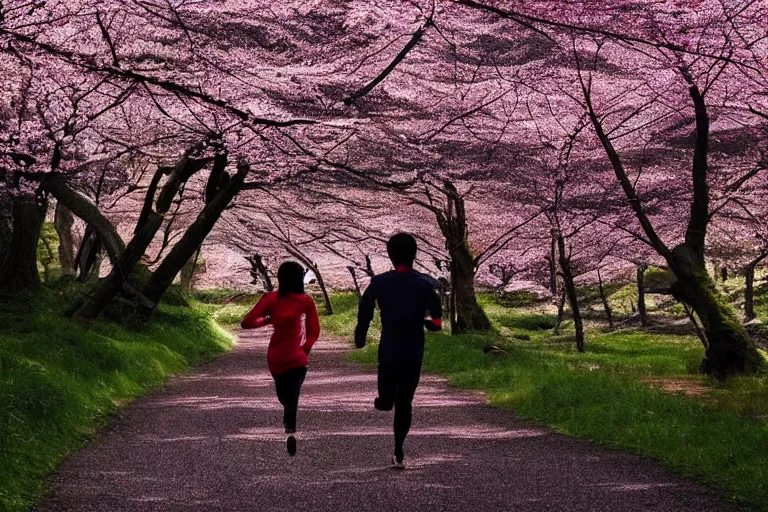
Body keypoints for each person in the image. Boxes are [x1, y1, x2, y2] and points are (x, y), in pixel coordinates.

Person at [354, 233, 443, 469]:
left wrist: (360, 336)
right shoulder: (426, 285)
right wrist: (423, 323)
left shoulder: (379, 283)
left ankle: (385, 404)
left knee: (386, 400)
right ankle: (398, 450)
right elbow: (437, 324)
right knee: (405, 402)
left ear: (390, 255)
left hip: (389, 350)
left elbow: (365, 312)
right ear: (414, 254)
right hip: (414, 351)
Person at [241, 261, 320, 456]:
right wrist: (305, 348)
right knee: (287, 395)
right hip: (286, 355)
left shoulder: (288, 300)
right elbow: (247, 322)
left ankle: (291, 428)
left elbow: (247, 322)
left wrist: (267, 321)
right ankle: (289, 419)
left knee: (291, 394)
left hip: (287, 356)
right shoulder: (288, 300)